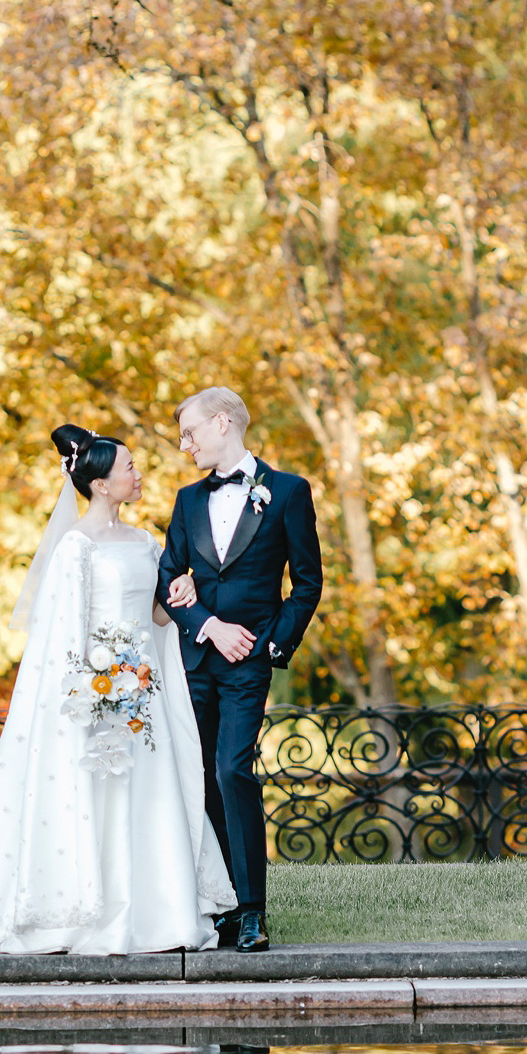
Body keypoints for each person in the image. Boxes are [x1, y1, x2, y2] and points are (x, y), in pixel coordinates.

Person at [0, 423, 235, 954]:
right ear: (100, 484)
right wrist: (94, 693)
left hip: (143, 692)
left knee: (145, 797)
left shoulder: (145, 542)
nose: (138, 475)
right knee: (96, 793)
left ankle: (154, 908)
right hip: (95, 693)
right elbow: (63, 633)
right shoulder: (76, 547)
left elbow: (156, 617)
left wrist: (183, 592)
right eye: (129, 468)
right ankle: (86, 907)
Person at [156, 387, 323, 954]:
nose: (185, 445)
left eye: (190, 432)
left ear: (222, 423)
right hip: (196, 658)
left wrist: (274, 645)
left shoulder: (287, 492)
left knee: (233, 772)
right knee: (198, 778)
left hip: (250, 661)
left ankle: (253, 911)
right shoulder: (184, 501)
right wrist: (206, 624)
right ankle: (221, 904)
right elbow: (169, 577)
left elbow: (307, 582)